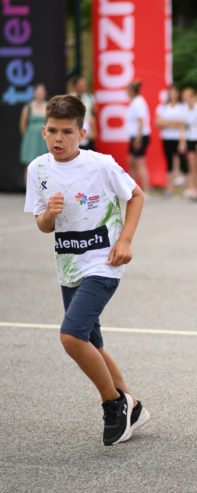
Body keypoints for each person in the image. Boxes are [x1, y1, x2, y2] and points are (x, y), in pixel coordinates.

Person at [23, 94, 148, 446]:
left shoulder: (101, 165)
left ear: (82, 133)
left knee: (71, 336)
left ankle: (113, 404)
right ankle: (133, 405)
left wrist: (124, 240)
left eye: (67, 132)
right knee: (90, 341)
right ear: (44, 132)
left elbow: (136, 195)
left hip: (103, 264)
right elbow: (43, 226)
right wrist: (48, 214)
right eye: (52, 131)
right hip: (68, 265)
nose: (58, 139)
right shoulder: (38, 169)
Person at [155, 85, 188, 196]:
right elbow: (158, 122)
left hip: (178, 137)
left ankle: (187, 188)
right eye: (170, 93)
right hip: (167, 137)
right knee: (169, 162)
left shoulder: (182, 107)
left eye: (174, 92)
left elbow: (182, 123)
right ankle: (170, 188)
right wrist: (174, 122)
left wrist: (167, 122)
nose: (172, 95)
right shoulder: (163, 107)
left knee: (182, 162)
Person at [19, 83, 48, 181]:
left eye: (42, 92)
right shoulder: (28, 107)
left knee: (44, 166)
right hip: (31, 141)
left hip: (44, 140)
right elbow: (23, 124)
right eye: (38, 92)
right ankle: (28, 191)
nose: (40, 94)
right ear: (34, 93)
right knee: (29, 165)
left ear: (45, 93)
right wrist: (28, 137)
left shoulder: (48, 106)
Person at [126, 80, 151, 193]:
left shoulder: (138, 102)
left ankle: (146, 189)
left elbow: (141, 121)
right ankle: (134, 188)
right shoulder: (134, 102)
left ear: (131, 91)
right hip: (134, 137)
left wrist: (138, 138)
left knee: (140, 163)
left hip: (140, 137)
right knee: (132, 162)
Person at [70, 76, 97, 150]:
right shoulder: (70, 98)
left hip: (88, 130)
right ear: (75, 86)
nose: (83, 87)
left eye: (84, 85)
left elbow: (94, 113)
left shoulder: (90, 97)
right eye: (81, 85)